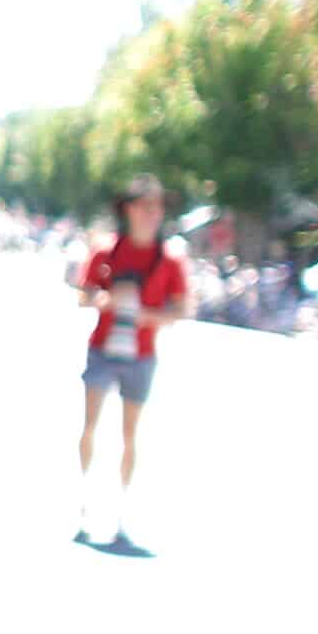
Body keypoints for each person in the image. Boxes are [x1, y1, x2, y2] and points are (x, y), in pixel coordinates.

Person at [75, 172, 189, 552]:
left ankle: (120, 510)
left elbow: (180, 310)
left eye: (157, 208)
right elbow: (85, 295)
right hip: (103, 349)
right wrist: (107, 302)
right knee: (90, 426)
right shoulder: (107, 252)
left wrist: (143, 315)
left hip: (140, 354)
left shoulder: (169, 260)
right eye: (145, 207)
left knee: (129, 434)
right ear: (129, 210)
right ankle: (84, 499)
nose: (152, 215)